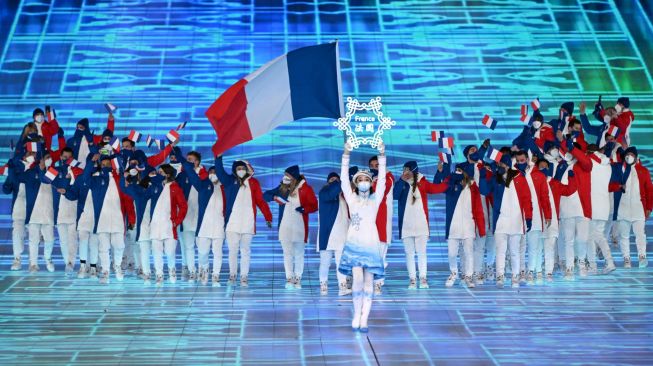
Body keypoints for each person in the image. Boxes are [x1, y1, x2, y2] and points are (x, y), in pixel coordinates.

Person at [338, 142, 386, 332]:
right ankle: (356, 315)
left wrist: (382, 155)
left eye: (367, 179)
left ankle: (364, 318)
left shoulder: (376, 199)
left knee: (368, 282)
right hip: (354, 244)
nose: (364, 181)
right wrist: (346, 154)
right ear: (356, 183)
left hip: (371, 244)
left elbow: (382, 180)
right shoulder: (352, 199)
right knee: (357, 281)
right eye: (360, 179)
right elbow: (343, 179)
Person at [215, 154, 272, 287]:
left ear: (247, 169)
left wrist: (268, 217)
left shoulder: (254, 183)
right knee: (233, 251)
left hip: (248, 222)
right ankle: (232, 275)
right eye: (238, 168)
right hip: (232, 223)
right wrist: (218, 158)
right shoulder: (229, 181)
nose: (241, 170)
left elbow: (261, 201)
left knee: (245, 251)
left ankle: (244, 277)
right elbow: (219, 171)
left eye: (243, 168)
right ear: (234, 170)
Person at [479, 153, 533, 288]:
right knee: (500, 251)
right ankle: (500, 277)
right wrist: (482, 176)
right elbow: (484, 191)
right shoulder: (495, 178)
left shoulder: (519, 176)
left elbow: (527, 198)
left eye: (501, 164)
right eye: (498, 164)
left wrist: (529, 217)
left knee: (514, 251)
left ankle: (515, 277)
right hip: (500, 221)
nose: (499, 166)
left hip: (516, 220)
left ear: (508, 165)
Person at [393, 160, 448, 289]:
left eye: (408, 169)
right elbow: (395, 195)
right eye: (404, 169)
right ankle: (412, 279)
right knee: (409, 253)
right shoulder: (401, 183)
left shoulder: (422, 182)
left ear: (413, 170)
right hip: (406, 225)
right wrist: (401, 181)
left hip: (421, 225)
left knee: (422, 253)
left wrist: (443, 175)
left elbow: (437, 188)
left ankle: (423, 278)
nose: (405, 172)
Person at [264, 165, 318, 289]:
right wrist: (273, 197)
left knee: (299, 253)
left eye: (288, 176)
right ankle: (289, 277)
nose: (285, 178)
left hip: (299, 226)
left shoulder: (306, 188)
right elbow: (265, 195)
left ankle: (298, 278)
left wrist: (304, 209)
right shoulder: (283, 188)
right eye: (285, 175)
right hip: (285, 226)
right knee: (287, 253)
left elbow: (314, 205)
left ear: (294, 177)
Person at [181, 158, 226, 286]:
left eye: (215, 172)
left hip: (219, 225)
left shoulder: (226, 188)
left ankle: (215, 276)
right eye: (211, 172)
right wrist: (188, 165)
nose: (213, 174)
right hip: (203, 226)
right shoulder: (203, 185)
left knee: (218, 253)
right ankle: (204, 272)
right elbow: (191, 175)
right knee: (203, 253)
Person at [441, 163, 486, 288]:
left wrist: (481, 229)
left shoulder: (473, 187)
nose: (458, 172)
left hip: (468, 225)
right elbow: (439, 186)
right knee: (451, 253)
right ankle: (454, 273)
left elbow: (478, 209)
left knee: (469, 253)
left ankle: (468, 276)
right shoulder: (451, 185)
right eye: (456, 170)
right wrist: (449, 175)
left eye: (460, 170)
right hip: (453, 226)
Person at [609, 147, 652, 268]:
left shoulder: (643, 171)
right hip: (623, 208)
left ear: (636, 156)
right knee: (624, 235)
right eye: (627, 154)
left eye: (632, 154)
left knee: (640, 235)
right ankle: (626, 259)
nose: (629, 157)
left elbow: (649, 190)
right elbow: (611, 185)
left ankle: (642, 256)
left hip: (638, 207)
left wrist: (649, 207)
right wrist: (618, 186)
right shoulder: (620, 169)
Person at [515, 150, 552, 285]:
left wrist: (547, 215)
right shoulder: (513, 174)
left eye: (522, 161)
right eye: (518, 161)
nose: (520, 163)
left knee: (534, 247)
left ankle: (531, 271)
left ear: (527, 159)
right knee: (518, 247)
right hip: (518, 215)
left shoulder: (539, 175)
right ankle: (520, 271)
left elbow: (544, 197)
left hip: (535, 216)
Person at [148, 164, 188, 286]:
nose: (158, 174)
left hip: (169, 226)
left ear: (168, 174)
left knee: (170, 252)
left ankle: (172, 271)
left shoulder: (175, 187)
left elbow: (183, 206)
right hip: (155, 225)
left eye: (160, 172)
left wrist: (176, 221)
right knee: (156, 252)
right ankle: (159, 274)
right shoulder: (155, 186)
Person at [316, 172, 350, 295]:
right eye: (332, 179)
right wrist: (341, 181)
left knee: (341, 262)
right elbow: (331, 193)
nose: (334, 181)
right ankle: (323, 285)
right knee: (325, 262)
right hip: (327, 234)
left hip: (341, 234)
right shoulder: (324, 192)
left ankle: (343, 285)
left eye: (336, 179)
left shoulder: (344, 196)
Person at [369, 155, 394, 295]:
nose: (374, 168)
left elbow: (381, 190)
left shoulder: (387, 178)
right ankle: (369, 281)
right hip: (369, 223)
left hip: (382, 222)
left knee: (380, 256)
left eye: (377, 165)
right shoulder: (369, 178)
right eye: (372, 166)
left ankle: (378, 283)